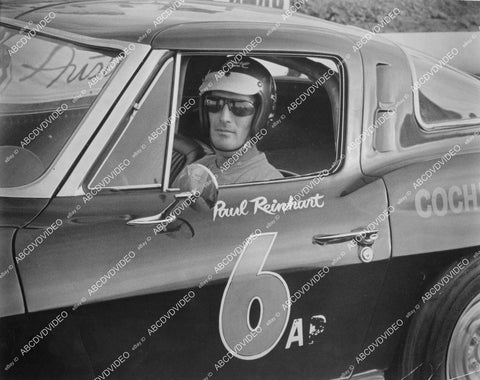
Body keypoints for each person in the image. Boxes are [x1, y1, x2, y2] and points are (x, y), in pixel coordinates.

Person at [175, 57, 282, 187]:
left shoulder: (269, 186)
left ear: (260, 117)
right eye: (214, 104)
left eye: (241, 107)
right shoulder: (197, 169)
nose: (224, 117)